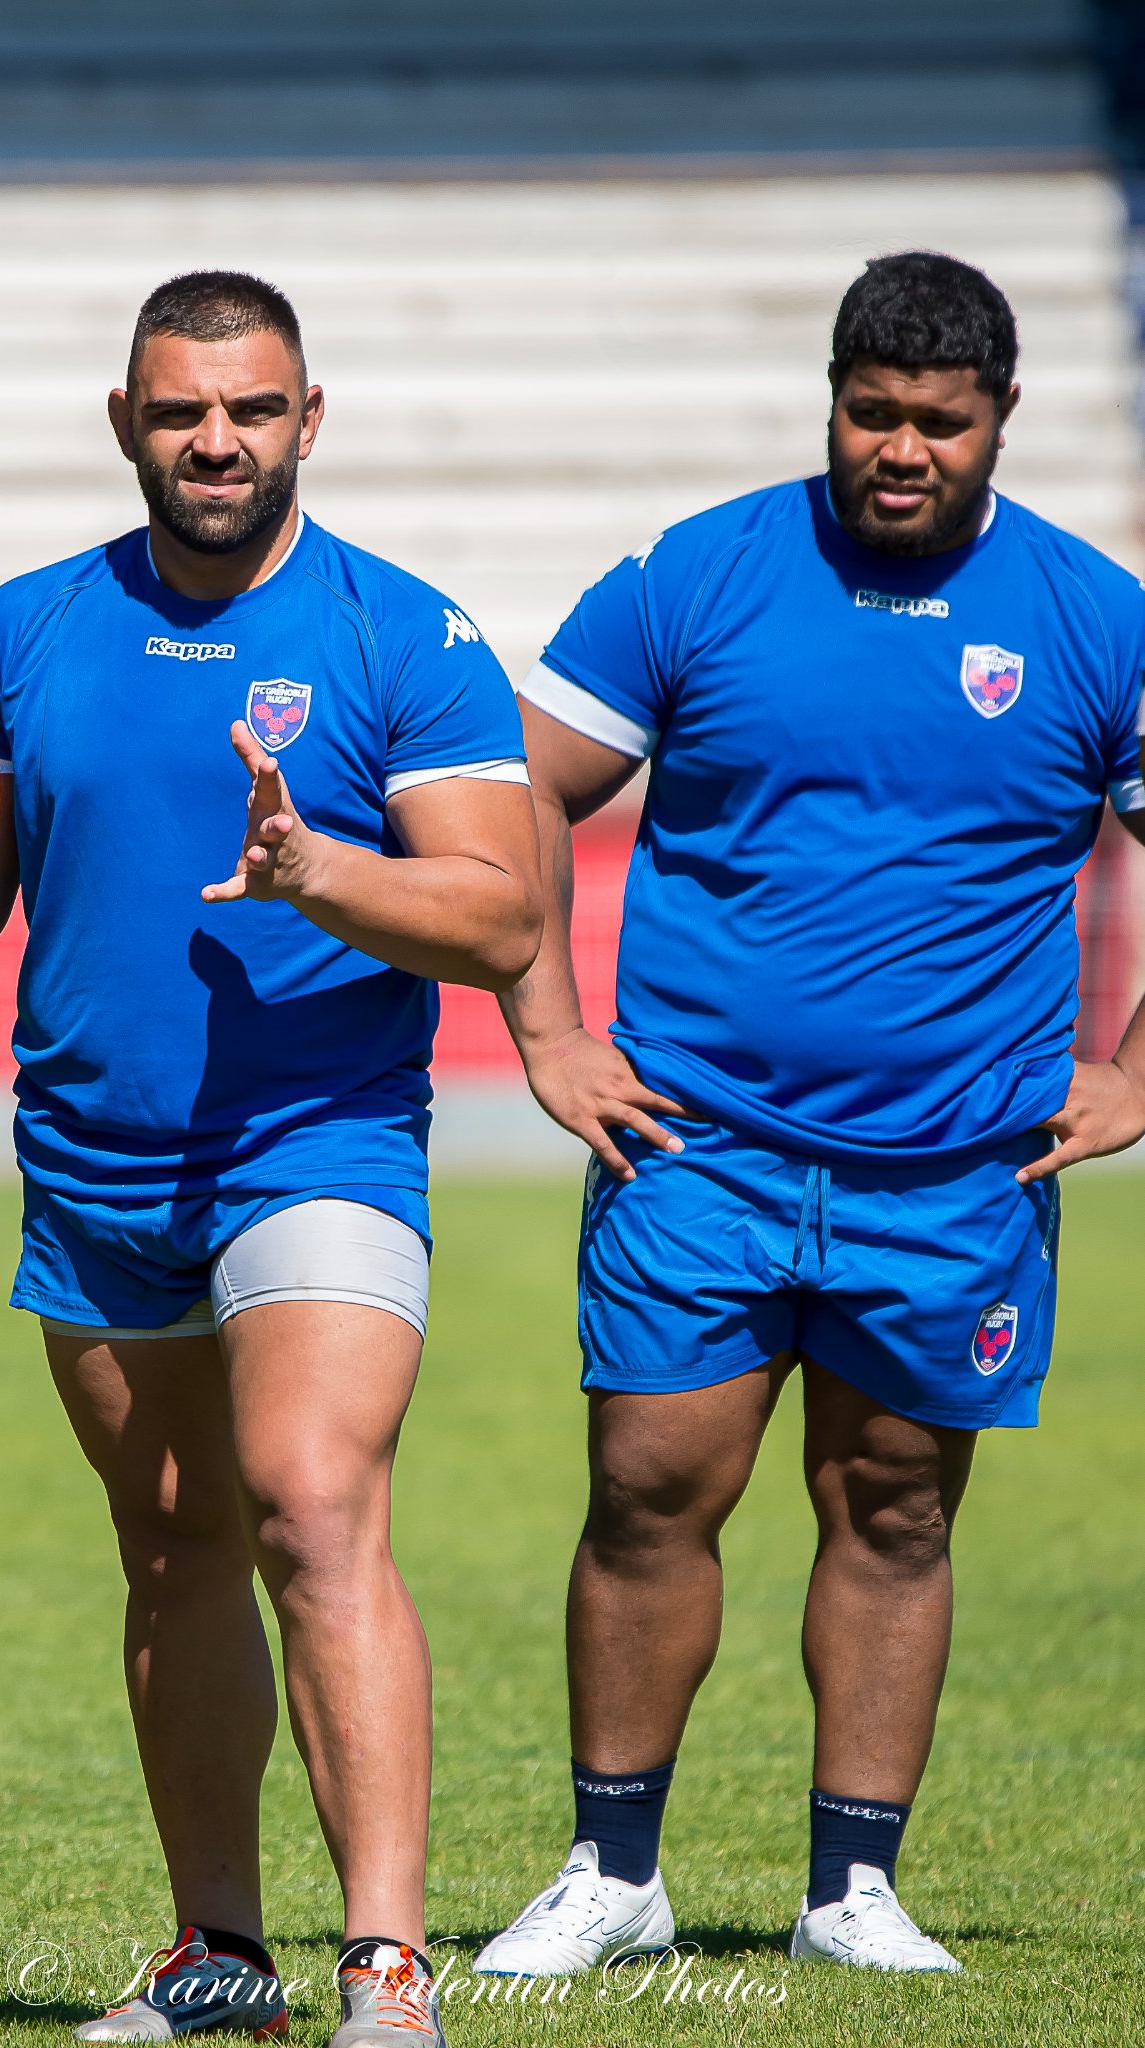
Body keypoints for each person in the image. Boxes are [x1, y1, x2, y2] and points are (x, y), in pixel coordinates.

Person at [0, 270, 540, 2045]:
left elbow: (500, 920)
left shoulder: (404, 638)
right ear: (124, 422)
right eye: (179, 407)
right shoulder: (25, 629)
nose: (214, 438)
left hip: (319, 1141)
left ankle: (387, 1976)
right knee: (173, 1548)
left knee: (310, 1506)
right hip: (95, 1161)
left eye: (250, 409)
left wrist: (324, 874)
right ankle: (219, 1959)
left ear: (307, 422)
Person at [473, 251, 1145, 1979]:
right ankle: (613, 1870)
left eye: (939, 420)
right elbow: (516, 794)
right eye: (871, 413)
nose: (900, 448)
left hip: (955, 1165)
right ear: (829, 401)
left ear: (1001, 420)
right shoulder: (697, 574)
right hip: (696, 1145)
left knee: (898, 1508)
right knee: (644, 1488)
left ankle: (851, 1890)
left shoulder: (1091, 613)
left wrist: (1133, 1063)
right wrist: (544, 1030)